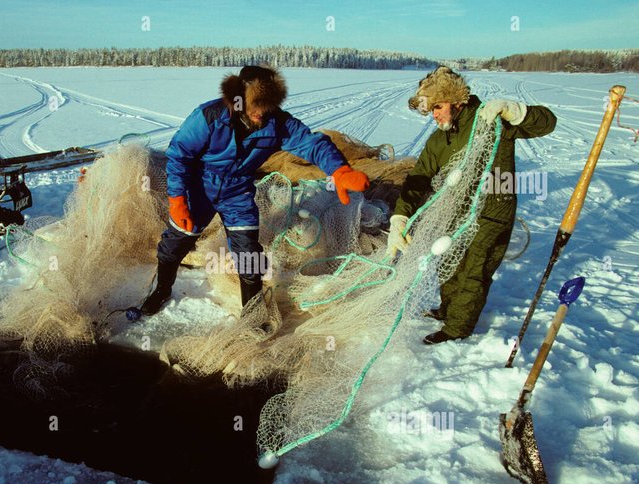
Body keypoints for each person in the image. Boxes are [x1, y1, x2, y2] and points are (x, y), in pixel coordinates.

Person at [141, 65, 370, 315]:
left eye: (267, 104)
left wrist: (340, 171)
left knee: (249, 254)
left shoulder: (278, 122)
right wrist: (177, 199)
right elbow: (179, 156)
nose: (261, 112)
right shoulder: (208, 116)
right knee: (175, 242)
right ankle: (162, 289)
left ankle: (252, 313)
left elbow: (312, 144)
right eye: (255, 104)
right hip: (200, 187)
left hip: (237, 192)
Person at [387, 67, 556, 344]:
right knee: (448, 264)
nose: (435, 115)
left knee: (474, 269)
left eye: (438, 106)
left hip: (493, 207)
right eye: (430, 110)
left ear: (457, 101)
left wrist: (514, 111)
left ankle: (457, 329)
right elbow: (419, 177)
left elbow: (547, 123)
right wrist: (399, 218)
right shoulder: (439, 139)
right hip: (457, 210)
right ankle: (447, 310)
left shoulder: (491, 120)